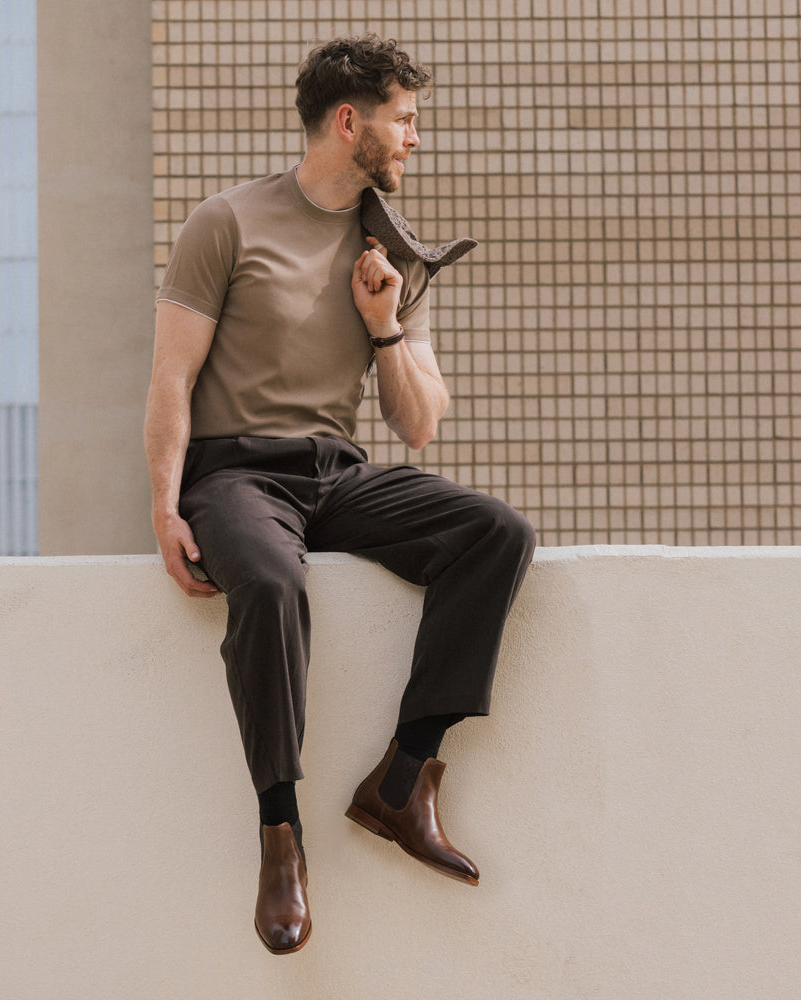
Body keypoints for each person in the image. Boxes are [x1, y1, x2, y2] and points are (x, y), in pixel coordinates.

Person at [144, 34, 536, 955]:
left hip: (338, 473)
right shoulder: (227, 223)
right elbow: (170, 378)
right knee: (271, 582)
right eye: (405, 120)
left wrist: (384, 326)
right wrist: (164, 506)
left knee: (496, 533)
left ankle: (404, 781)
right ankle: (280, 835)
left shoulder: (394, 250)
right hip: (234, 473)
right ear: (351, 121)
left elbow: (419, 425)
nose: (415, 139)